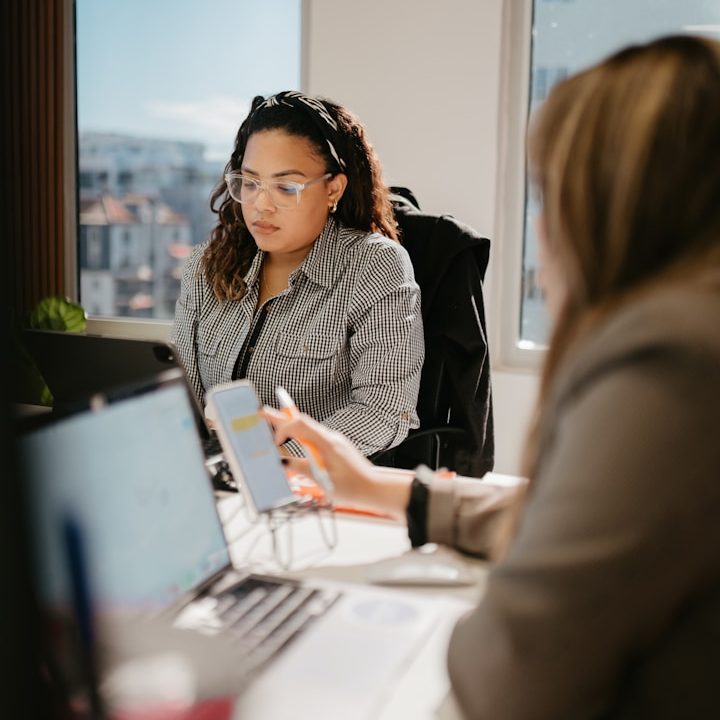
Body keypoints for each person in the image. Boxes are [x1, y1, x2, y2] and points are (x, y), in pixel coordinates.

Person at [263, 36, 720, 718]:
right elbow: (569, 516)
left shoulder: (671, 366)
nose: (542, 231)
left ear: (615, 206)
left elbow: (512, 673)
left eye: (550, 196)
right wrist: (380, 487)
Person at [172, 91, 423, 457]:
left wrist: (272, 461)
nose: (261, 204)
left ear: (333, 189)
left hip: (312, 480)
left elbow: (384, 412)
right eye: (251, 183)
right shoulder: (205, 266)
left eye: (286, 188)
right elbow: (184, 398)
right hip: (213, 473)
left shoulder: (374, 267)